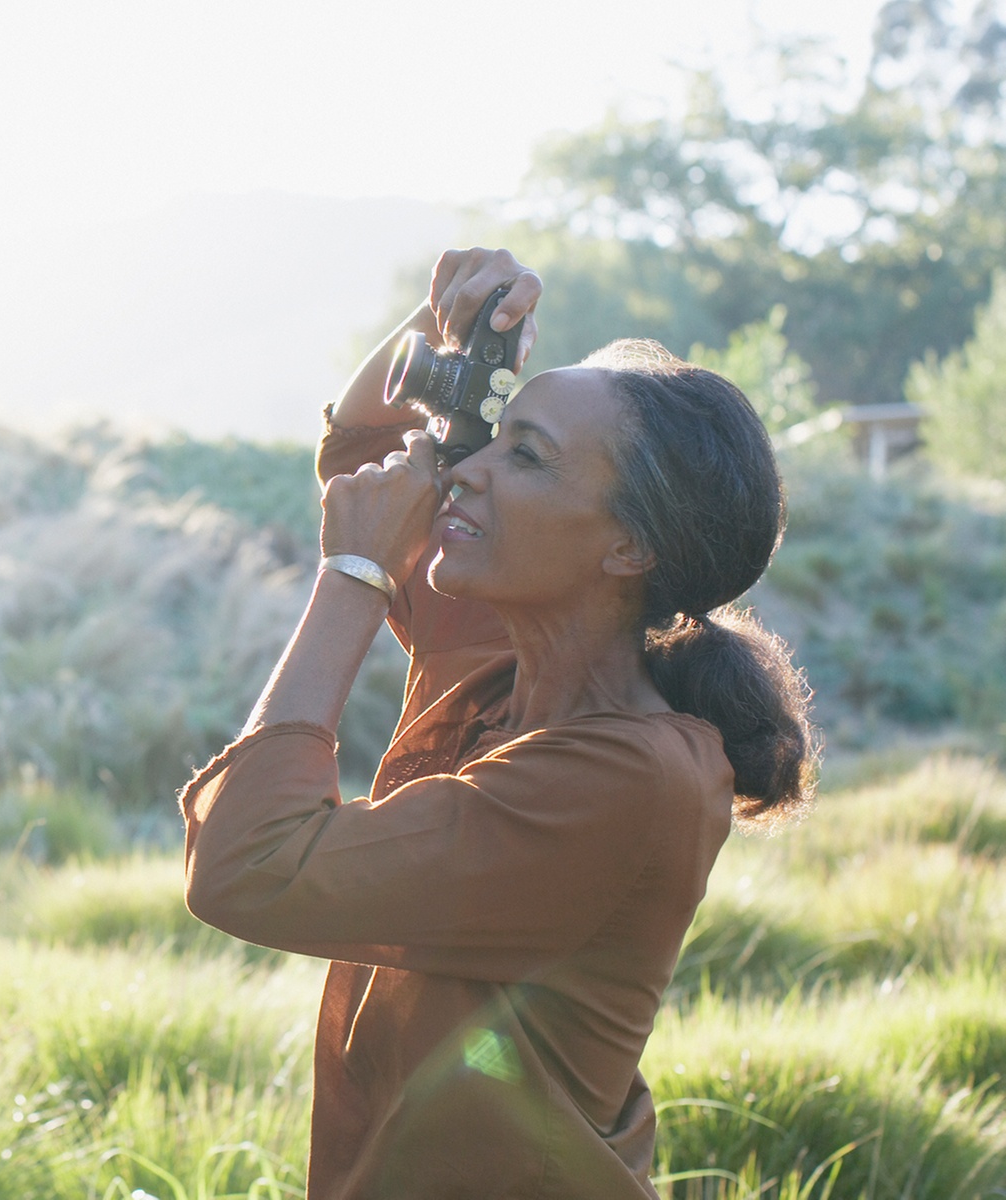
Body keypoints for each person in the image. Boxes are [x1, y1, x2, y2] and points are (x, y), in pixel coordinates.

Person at [179, 247, 817, 1198]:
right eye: (494, 437)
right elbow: (362, 445)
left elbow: (248, 865)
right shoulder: (521, 657)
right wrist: (442, 332)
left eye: (525, 456)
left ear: (628, 546)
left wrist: (355, 576)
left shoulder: (628, 781)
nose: (465, 472)